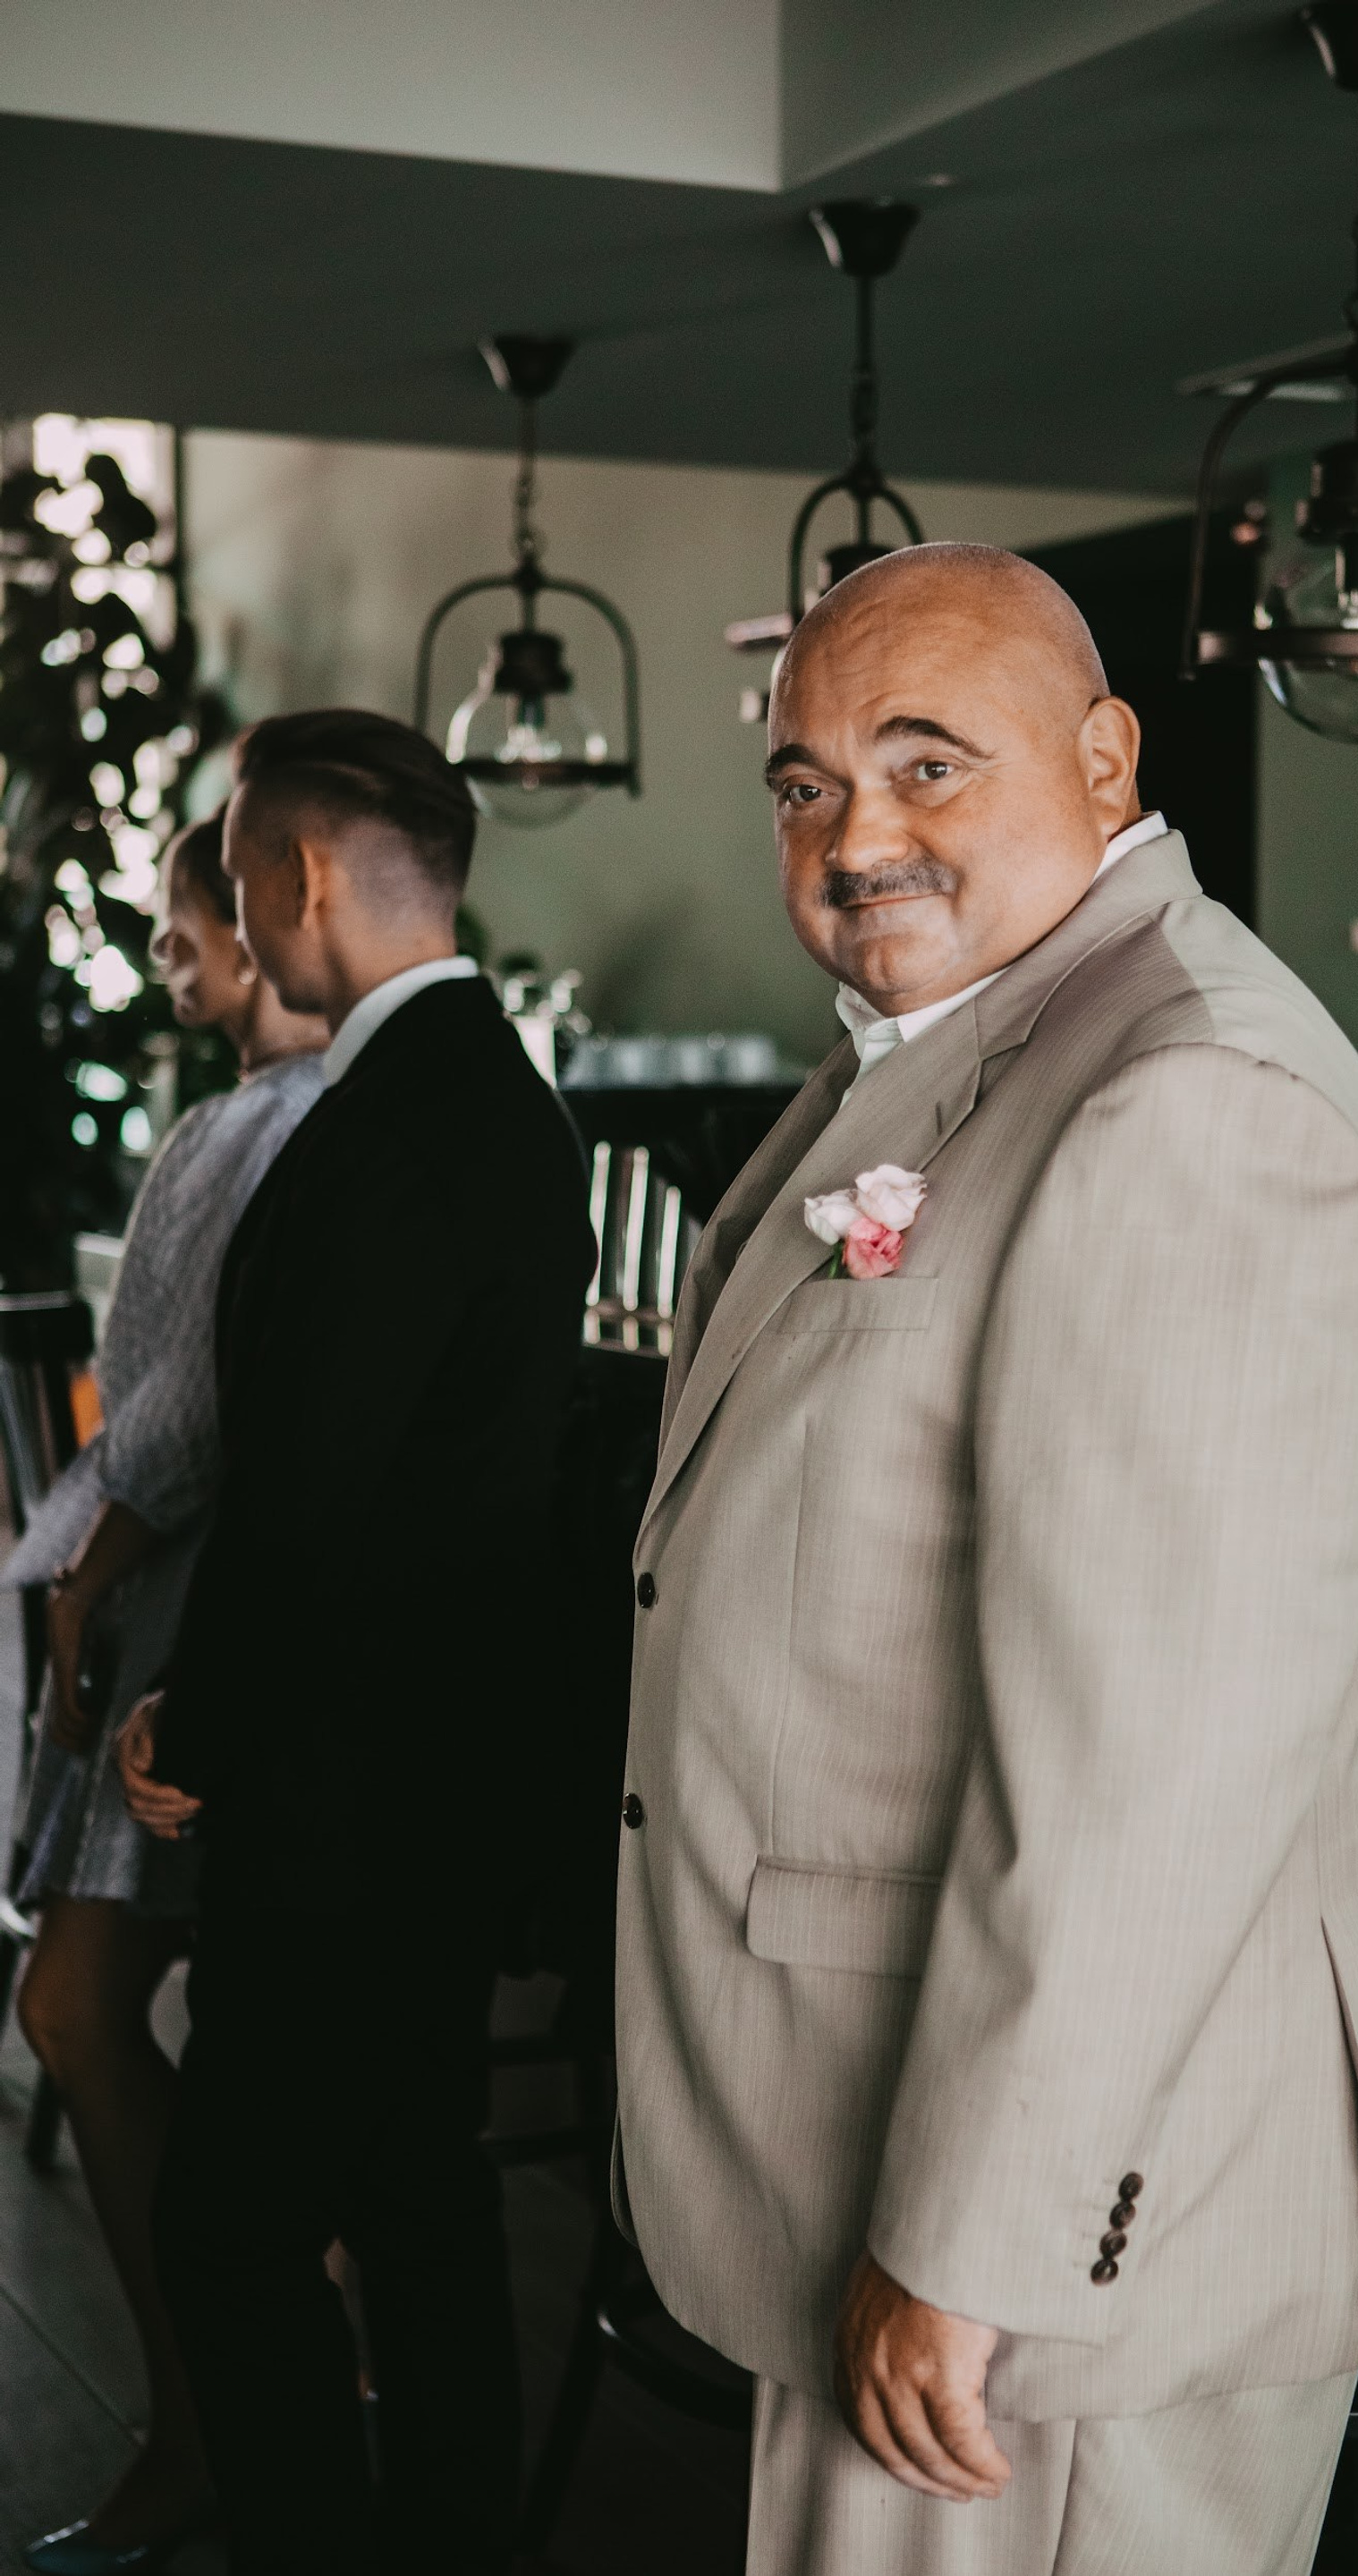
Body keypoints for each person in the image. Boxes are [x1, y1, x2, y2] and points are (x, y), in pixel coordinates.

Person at [615, 544, 1358, 2576]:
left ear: (1106, 758)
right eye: (807, 782)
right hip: (884, 2140)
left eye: (926, 764)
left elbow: (1160, 1765)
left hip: (1055, 2251)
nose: (856, 833)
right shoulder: (973, 1040)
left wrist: (977, 2241)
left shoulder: (1189, 1100)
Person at [114, 711, 595, 2576]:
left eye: (239, 879)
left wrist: (195, 1720)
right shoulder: (504, 1101)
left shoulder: (386, 1126)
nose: (245, 916)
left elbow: (304, 1497)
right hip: (454, 1762)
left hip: (342, 1779)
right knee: (414, 2190)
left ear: (299, 877)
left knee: (230, 2229)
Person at [6, 809, 326, 2575]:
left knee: (73, 2012)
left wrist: (82, 1577)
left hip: (186, 1625)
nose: (159, 951)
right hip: (249, 1622)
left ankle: (212, 2411)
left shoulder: (240, 1128)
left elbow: (176, 1422)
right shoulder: (312, 1117)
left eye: (174, 919)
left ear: (262, 913)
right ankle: (263, 2381)